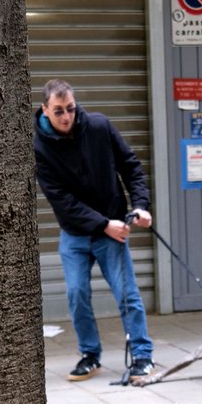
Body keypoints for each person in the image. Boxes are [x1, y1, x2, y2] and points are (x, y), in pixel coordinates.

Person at [34, 79, 156, 382]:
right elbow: (62, 200)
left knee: (127, 294)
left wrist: (141, 206)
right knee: (77, 294)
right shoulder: (38, 146)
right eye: (59, 111)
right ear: (45, 109)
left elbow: (130, 166)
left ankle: (142, 356)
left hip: (112, 229)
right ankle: (90, 355)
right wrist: (103, 224)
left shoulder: (99, 127)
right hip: (76, 234)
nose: (66, 116)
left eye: (71, 109)